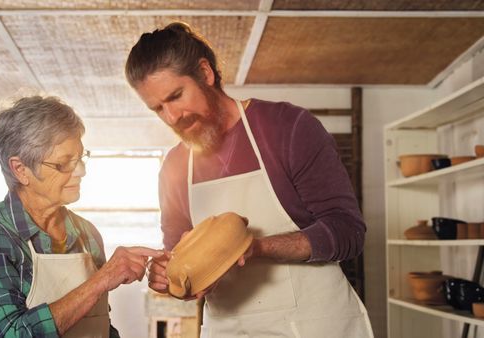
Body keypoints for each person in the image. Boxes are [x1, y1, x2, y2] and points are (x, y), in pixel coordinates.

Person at [125, 22, 373, 337]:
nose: (172, 117)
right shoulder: (174, 167)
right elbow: (181, 263)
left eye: (175, 96)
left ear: (205, 73)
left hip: (315, 325)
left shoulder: (288, 128)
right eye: (158, 108)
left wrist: (254, 247)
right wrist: (168, 277)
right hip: (230, 329)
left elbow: (348, 232)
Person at [0, 96, 162, 337]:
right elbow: (9, 334)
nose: (81, 171)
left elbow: (98, 322)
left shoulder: (87, 234)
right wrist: (100, 280)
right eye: (64, 164)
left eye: (81, 158)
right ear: (20, 169)